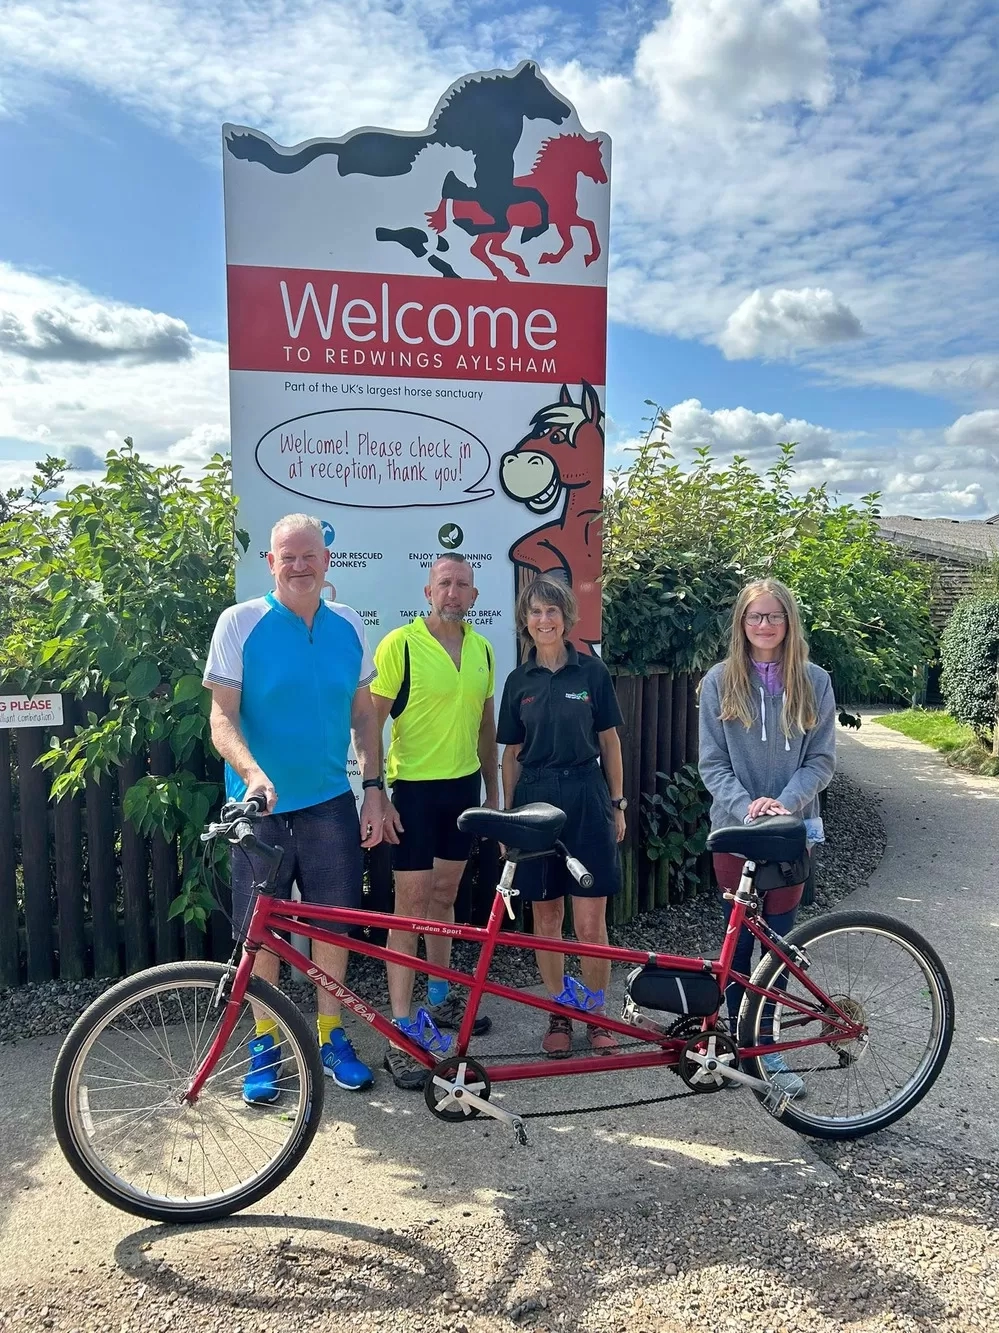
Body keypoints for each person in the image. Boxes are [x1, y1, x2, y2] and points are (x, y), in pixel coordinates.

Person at [203, 512, 390, 1104]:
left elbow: (365, 716)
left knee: (333, 924)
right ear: (271, 563)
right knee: (258, 935)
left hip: (331, 801)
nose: (300, 565)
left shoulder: (350, 625)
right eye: (289, 556)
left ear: (327, 561)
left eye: (310, 555)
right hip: (258, 809)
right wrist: (252, 773)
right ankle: (267, 1041)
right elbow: (222, 717)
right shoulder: (241, 622)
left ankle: (332, 1035)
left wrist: (375, 789)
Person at [698, 577, 836, 1098]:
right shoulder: (719, 681)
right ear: (741, 623)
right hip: (735, 832)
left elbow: (821, 759)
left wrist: (783, 806)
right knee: (736, 944)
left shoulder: (815, 681)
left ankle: (768, 1052)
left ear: (788, 622)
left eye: (774, 616)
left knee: (778, 945)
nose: (764, 625)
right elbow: (712, 763)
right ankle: (735, 1040)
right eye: (755, 617)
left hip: (788, 834)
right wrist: (747, 806)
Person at [370, 554, 499, 1090]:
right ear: (427, 591)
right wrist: (377, 793)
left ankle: (439, 998)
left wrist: (493, 794)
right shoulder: (400, 644)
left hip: (463, 790)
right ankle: (401, 1030)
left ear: (473, 595)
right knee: (410, 909)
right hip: (414, 793)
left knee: (446, 899)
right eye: (443, 583)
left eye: (462, 585)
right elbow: (370, 722)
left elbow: (486, 727)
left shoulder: (483, 648)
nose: (452, 592)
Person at [496, 576, 626, 1056]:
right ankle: (559, 1010)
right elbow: (511, 755)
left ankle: (595, 1013)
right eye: (535, 612)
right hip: (534, 801)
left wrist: (618, 803)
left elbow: (610, 742)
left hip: (586, 797)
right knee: (546, 918)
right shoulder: (518, 681)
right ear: (525, 622)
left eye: (552, 611)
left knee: (590, 923)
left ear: (566, 618)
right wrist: (508, 818)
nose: (544, 620)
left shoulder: (591, 674)